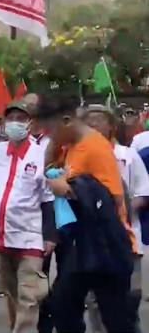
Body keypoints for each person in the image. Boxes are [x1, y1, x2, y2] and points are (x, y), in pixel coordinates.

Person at [36, 94, 135, 333]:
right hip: (81, 244)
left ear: (67, 120)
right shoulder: (70, 144)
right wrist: (54, 143)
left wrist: (67, 190)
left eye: (50, 129)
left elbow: (113, 199)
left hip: (106, 245)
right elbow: (50, 169)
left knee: (116, 318)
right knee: (62, 306)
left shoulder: (95, 147)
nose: (48, 136)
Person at [0, 101, 54, 333]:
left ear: (30, 122)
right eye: (10, 119)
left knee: (29, 296)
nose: (15, 124)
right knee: (11, 294)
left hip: (30, 236)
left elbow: (48, 198)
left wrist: (50, 236)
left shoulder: (41, 156)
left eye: (20, 119)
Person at [83, 104, 146, 332]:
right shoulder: (76, 156)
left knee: (129, 298)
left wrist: (116, 211)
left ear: (110, 124)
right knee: (96, 300)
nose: (93, 124)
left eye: (99, 118)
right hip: (92, 242)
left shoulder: (127, 156)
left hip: (127, 239)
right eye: (88, 119)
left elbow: (143, 191)